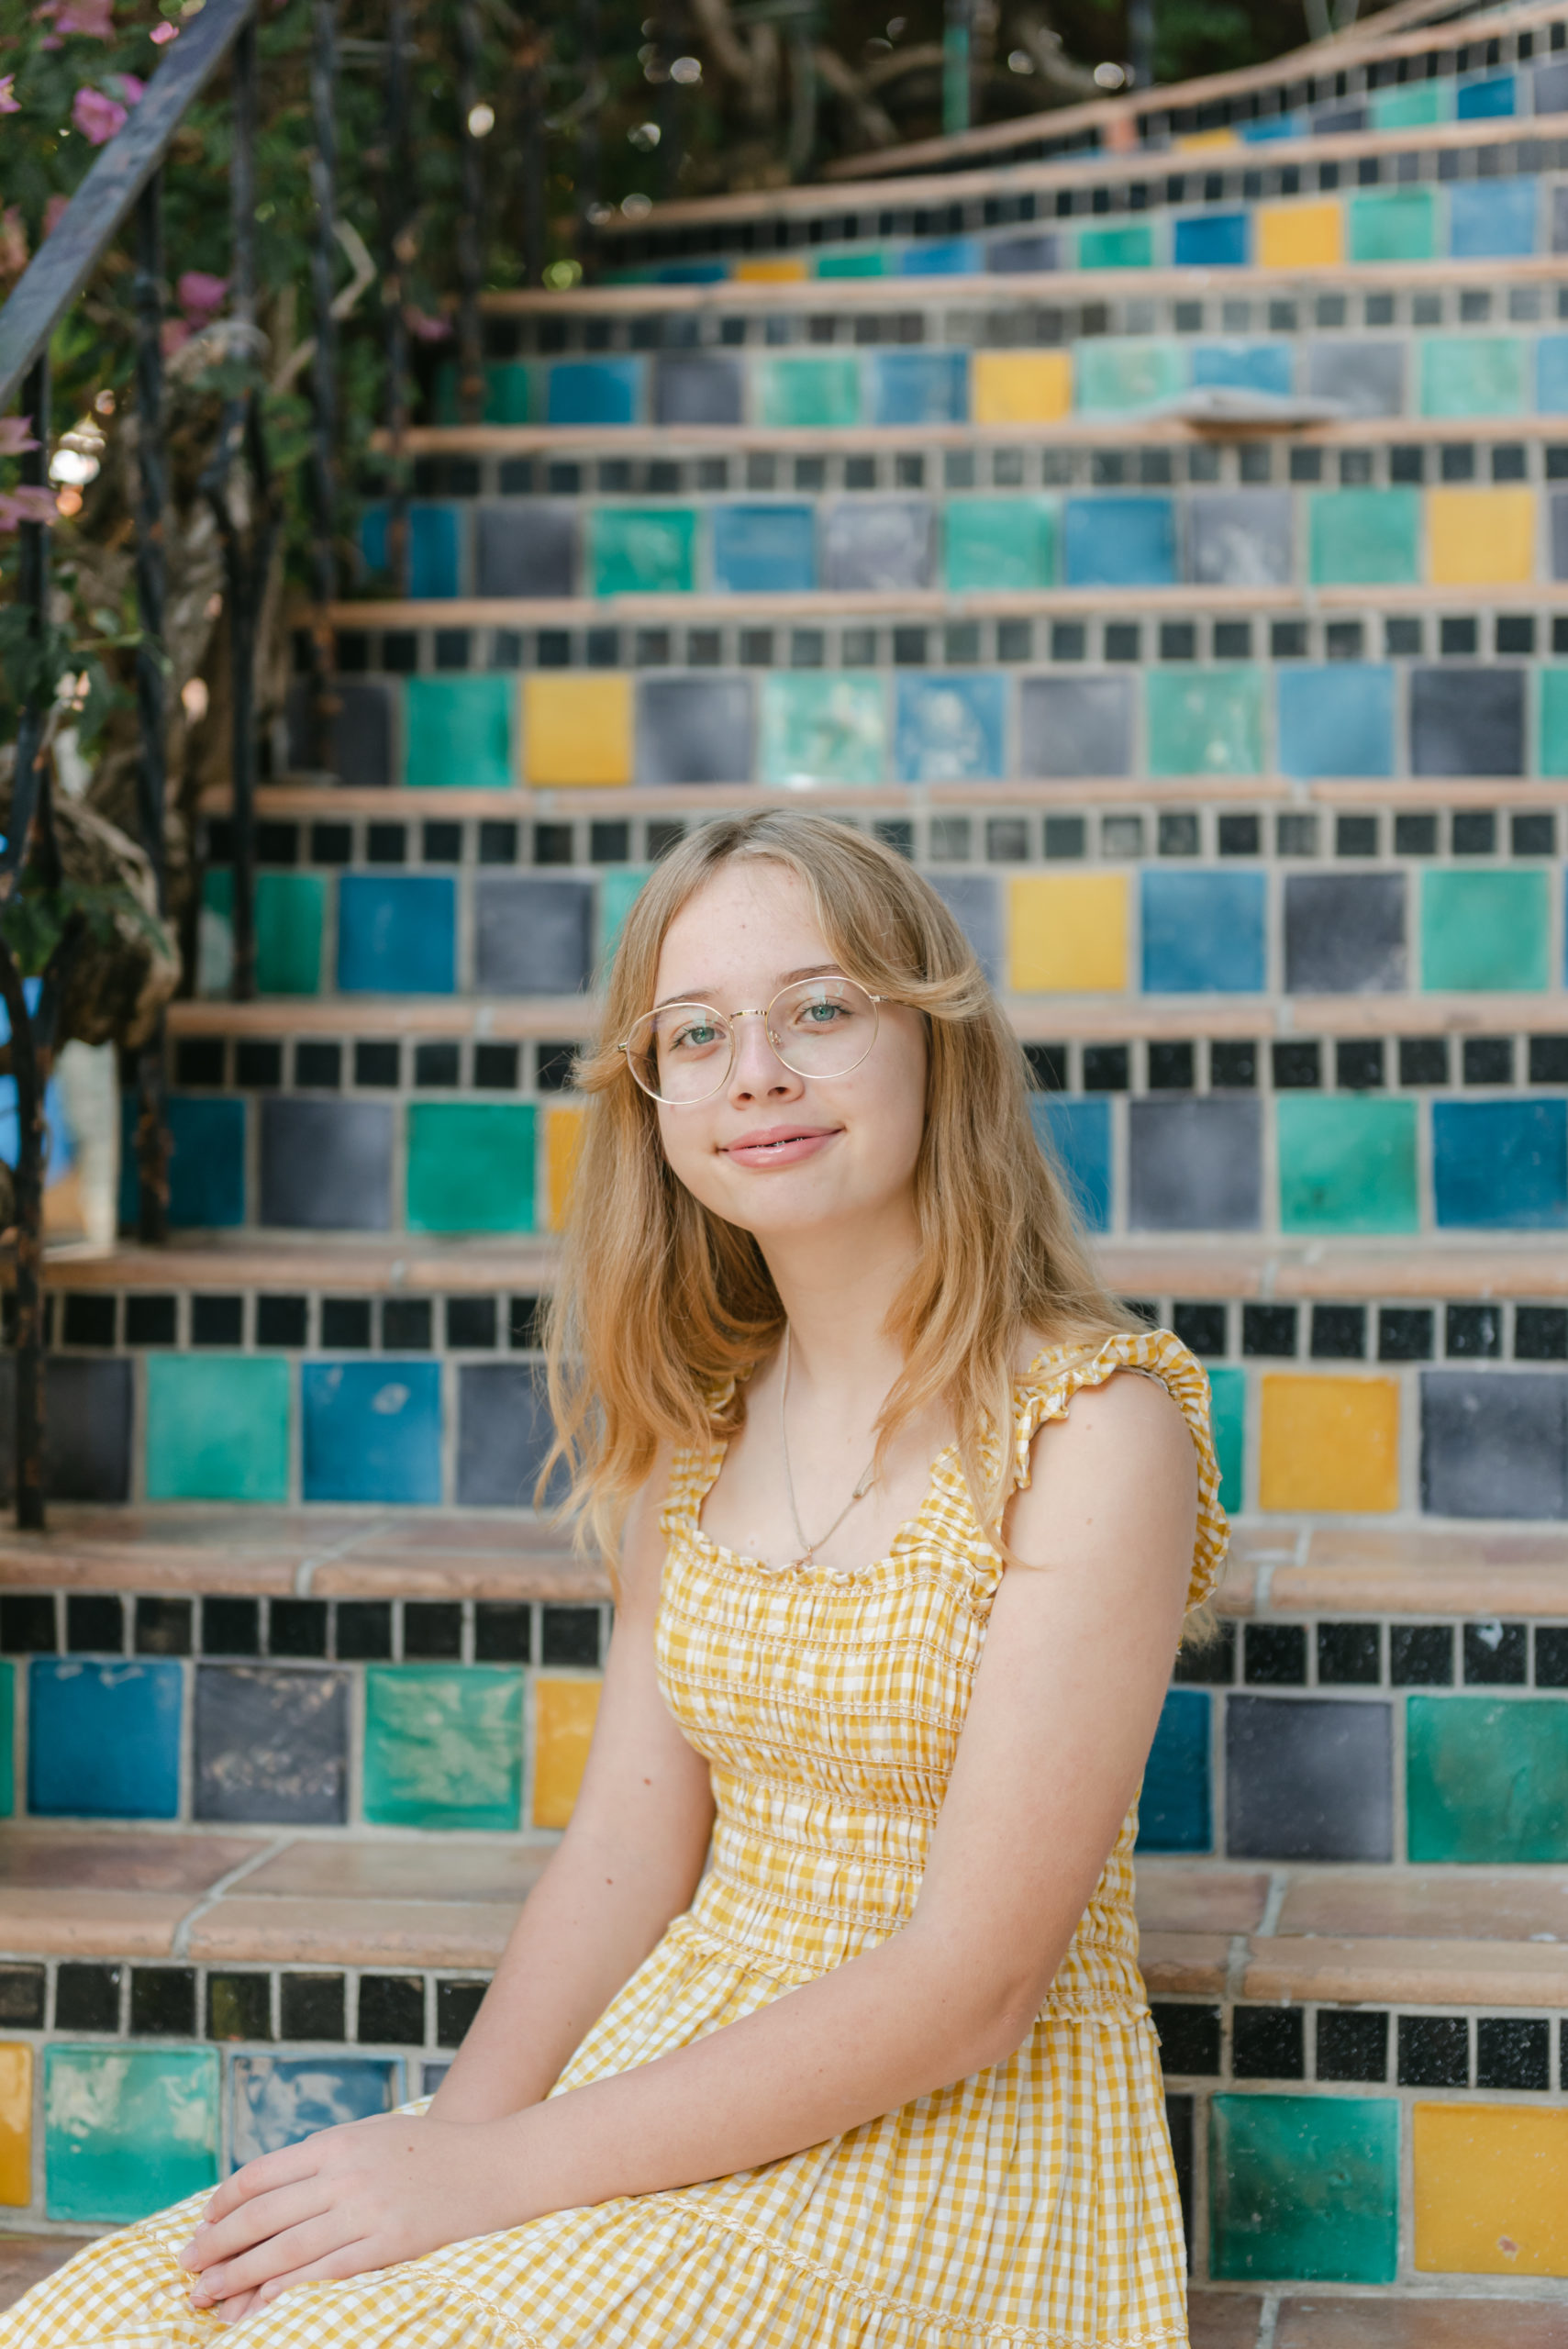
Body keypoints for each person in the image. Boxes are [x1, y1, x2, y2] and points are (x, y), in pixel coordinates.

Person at [8, 811, 1225, 2347]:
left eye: (821, 1010)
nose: (758, 1073)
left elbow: (969, 1986)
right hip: (666, 2064)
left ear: (937, 1044)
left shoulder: (1091, 1424)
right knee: (101, 2320)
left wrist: (498, 2174)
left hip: (944, 2138)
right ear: (652, 1100)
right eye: (696, 1034)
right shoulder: (702, 1423)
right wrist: (443, 2156)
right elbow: (622, 1863)